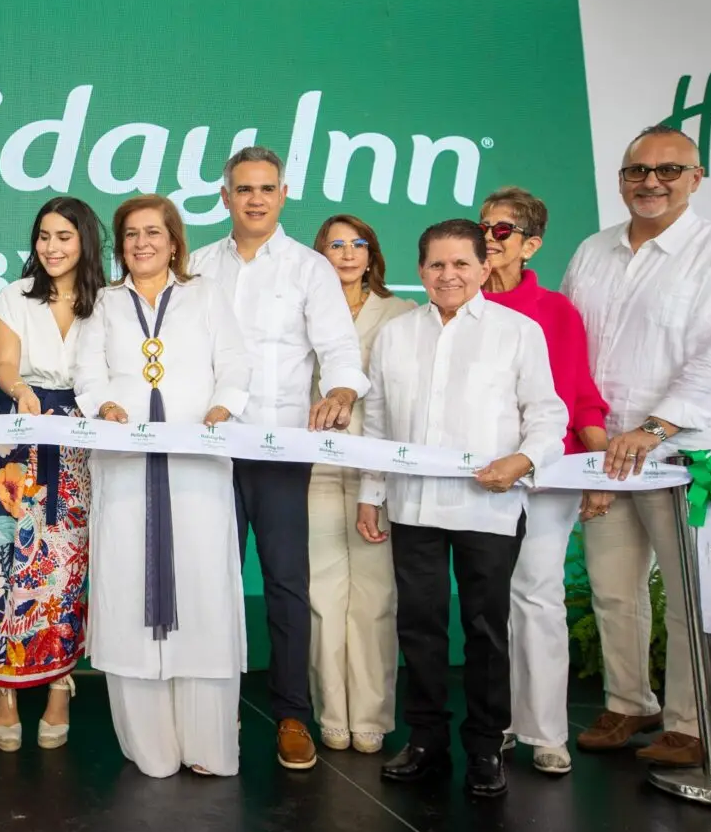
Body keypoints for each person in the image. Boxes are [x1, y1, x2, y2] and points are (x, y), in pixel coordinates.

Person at [562, 125, 711, 769]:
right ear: (621, 179)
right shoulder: (592, 251)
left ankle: (694, 723)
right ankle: (628, 703)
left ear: (696, 179)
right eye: (637, 170)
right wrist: (589, 436)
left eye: (668, 170)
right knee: (613, 588)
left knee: (692, 595)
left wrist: (653, 430)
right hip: (604, 452)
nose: (651, 182)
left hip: (682, 455)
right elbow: (572, 351)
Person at [357, 219, 566, 798]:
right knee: (419, 627)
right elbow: (377, 424)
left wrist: (522, 460)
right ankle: (426, 741)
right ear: (420, 270)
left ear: (484, 267)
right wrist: (371, 493)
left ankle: (485, 748)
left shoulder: (517, 332)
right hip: (413, 506)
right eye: (436, 265)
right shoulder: (396, 335)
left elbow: (548, 415)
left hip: (489, 508)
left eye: (460, 264)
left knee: (485, 630)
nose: (448, 275)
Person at [191, 147, 365, 772]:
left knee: (287, 582)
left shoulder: (310, 268)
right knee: (211, 582)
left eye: (267, 188)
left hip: (279, 448)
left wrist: (341, 391)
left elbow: (339, 349)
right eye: (244, 189)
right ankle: (215, 708)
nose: (256, 199)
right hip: (209, 448)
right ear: (225, 196)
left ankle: (292, 714)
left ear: (283, 195)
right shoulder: (197, 264)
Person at [74, 194, 252, 778]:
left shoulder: (206, 295)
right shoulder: (105, 303)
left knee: (202, 585)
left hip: (197, 460)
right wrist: (102, 405)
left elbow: (235, 363)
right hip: (125, 462)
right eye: (131, 234)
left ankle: (207, 744)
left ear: (174, 241)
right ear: (120, 246)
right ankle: (149, 745)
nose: (142, 243)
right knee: (128, 583)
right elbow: (87, 372)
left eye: (154, 232)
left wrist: (223, 408)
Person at [0, 196, 106, 752]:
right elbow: (4, 366)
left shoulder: (107, 302)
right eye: (44, 236)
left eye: (64, 236)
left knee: (64, 564)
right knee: (0, 560)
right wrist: (21, 391)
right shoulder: (14, 296)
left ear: (85, 241)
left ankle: (60, 683)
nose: (51, 247)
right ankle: (4, 688)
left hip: (78, 438)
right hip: (12, 437)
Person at [479, 188, 610, 776]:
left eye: (502, 230)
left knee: (538, 594)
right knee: (487, 602)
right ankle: (496, 723)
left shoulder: (557, 312)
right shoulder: (458, 303)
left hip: (548, 475)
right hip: (477, 476)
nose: (489, 237)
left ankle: (547, 732)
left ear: (530, 245)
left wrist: (600, 470)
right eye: (484, 226)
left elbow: (580, 397)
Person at [306, 214, 413, 756]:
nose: (347, 254)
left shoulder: (402, 313)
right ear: (319, 254)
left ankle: (371, 714)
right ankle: (332, 712)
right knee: (323, 595)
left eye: (358, 244)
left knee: (374, 595)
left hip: (380, 468)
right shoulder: (301, 308)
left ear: (373, 254)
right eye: (335, 245)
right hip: (318, 465)